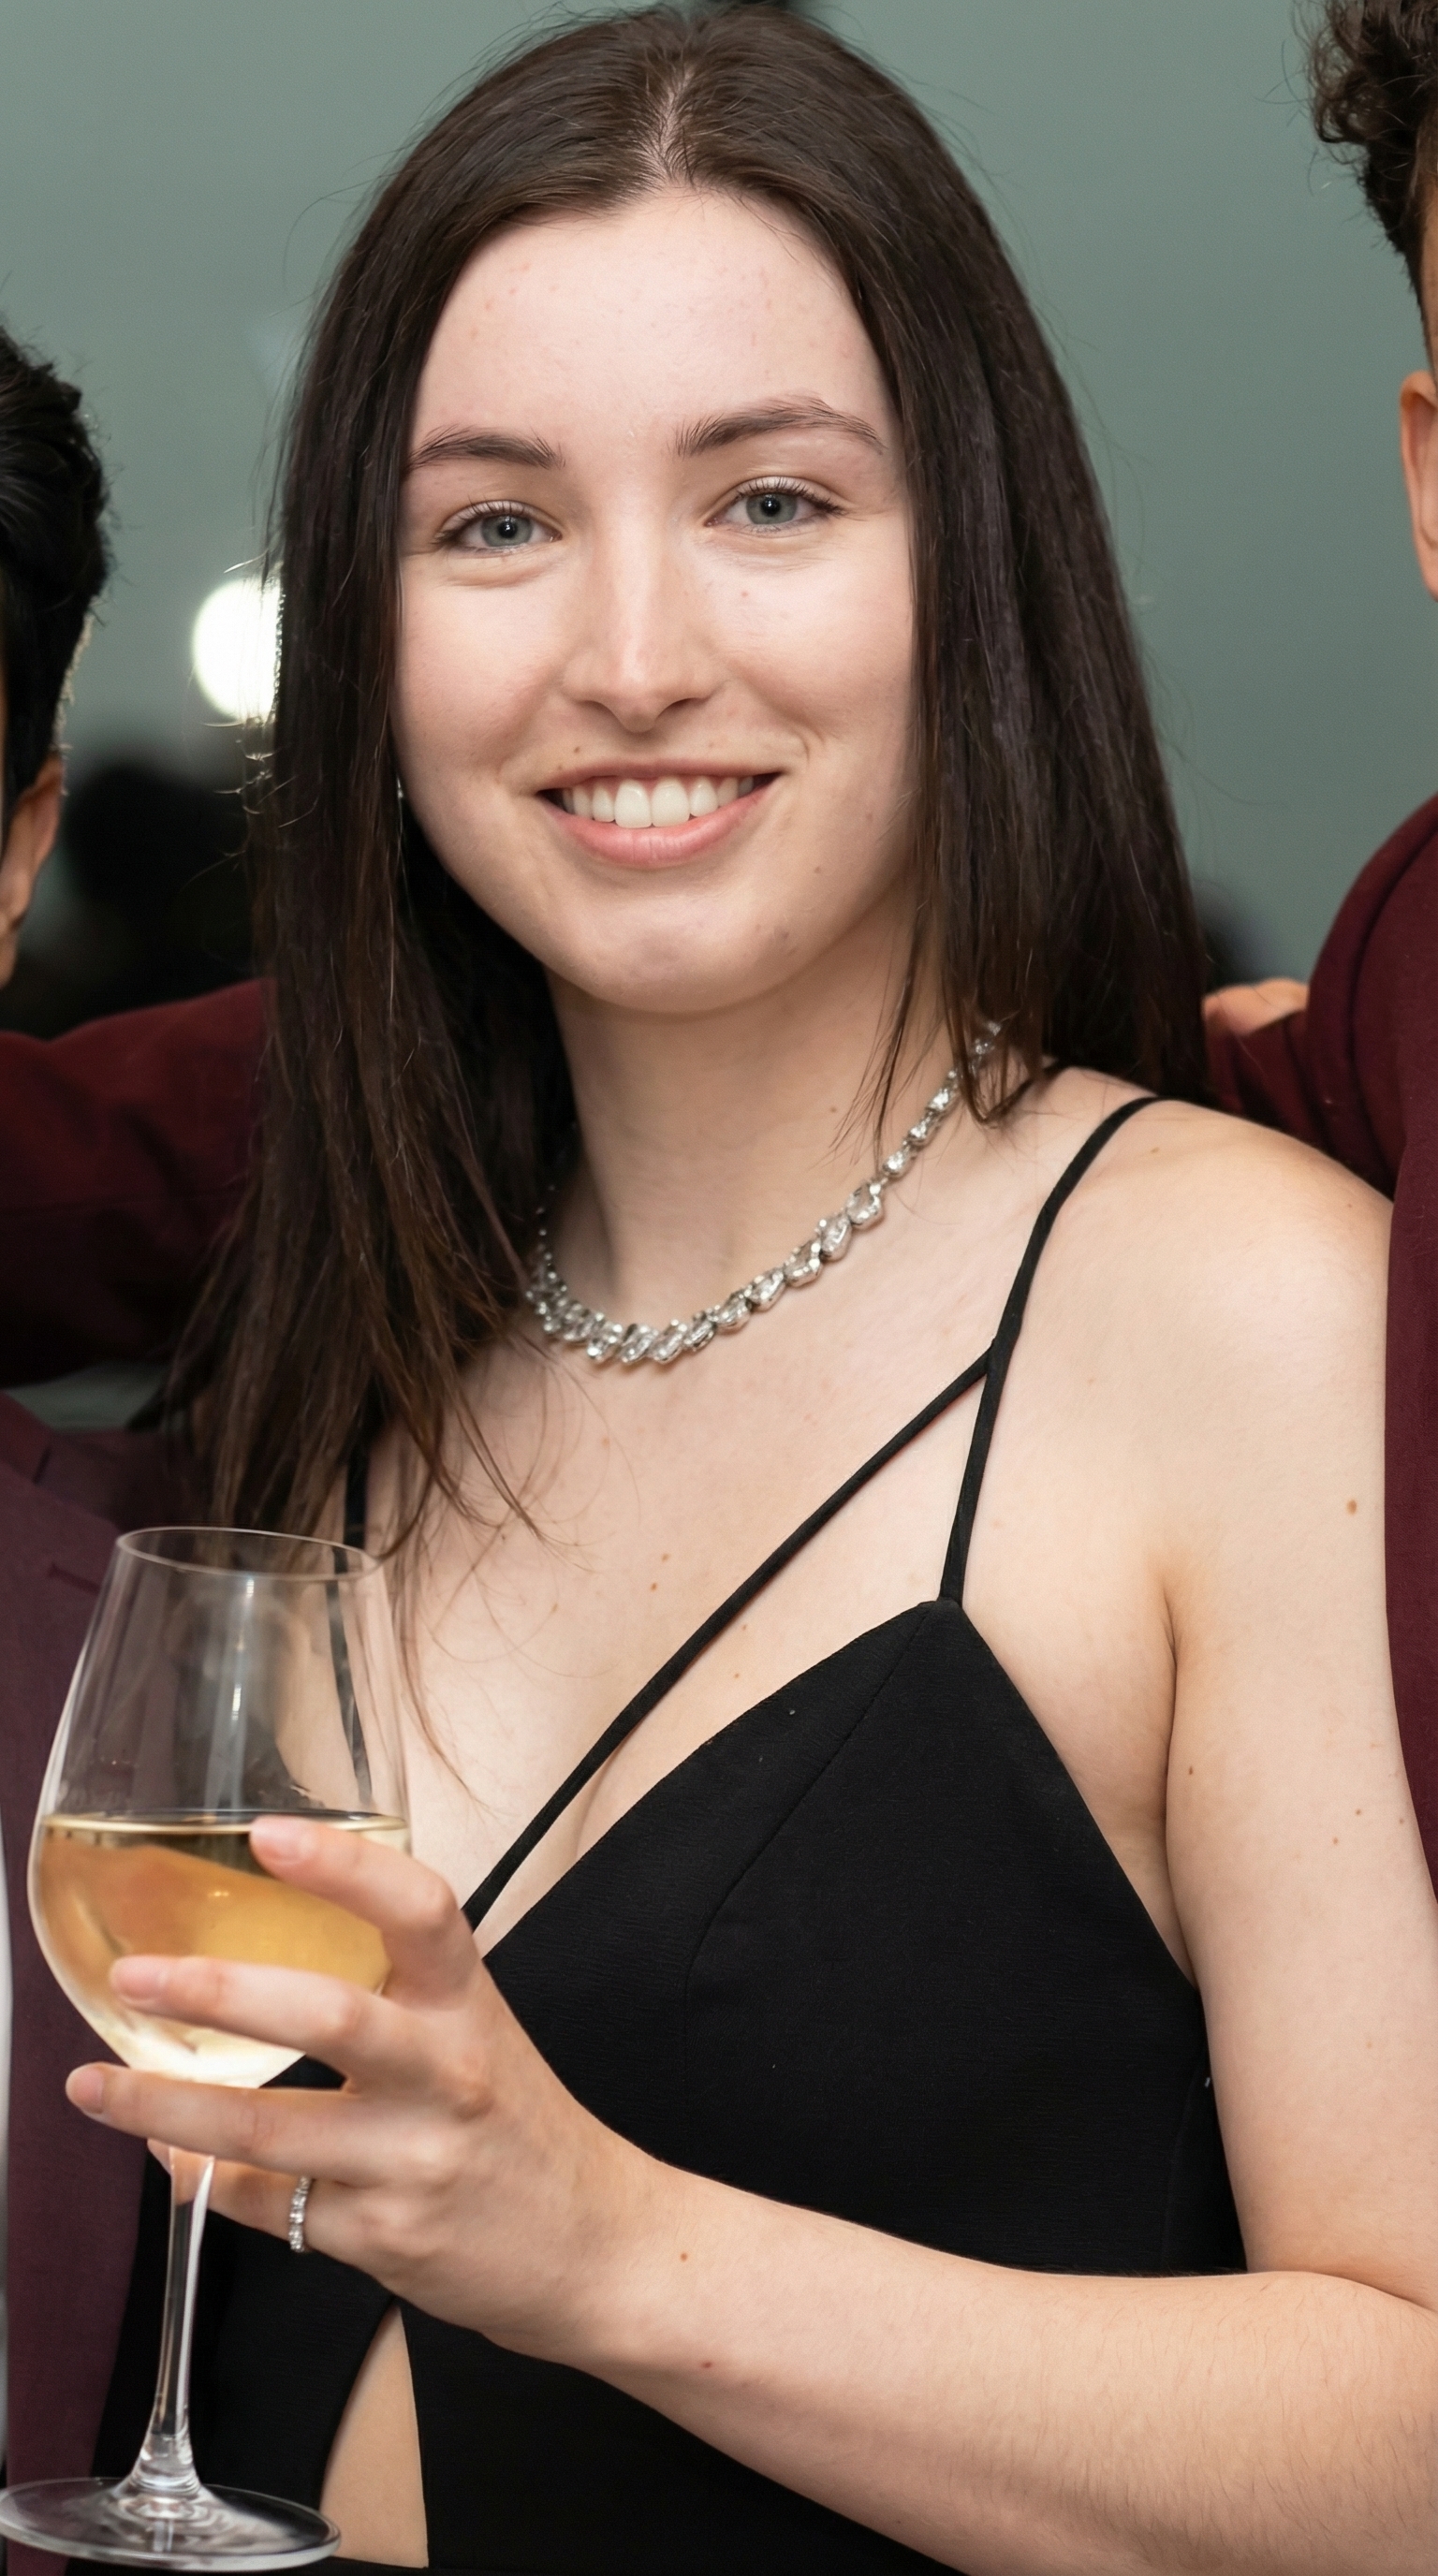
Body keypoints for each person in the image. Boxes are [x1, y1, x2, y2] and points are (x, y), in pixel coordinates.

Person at [2, 10, 1429, 2574]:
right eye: (495, 526)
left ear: (972, 569)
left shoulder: (1251, 1321)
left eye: (772, 500)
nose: (635, 654)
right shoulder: (333, 1353)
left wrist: (614, 2258)